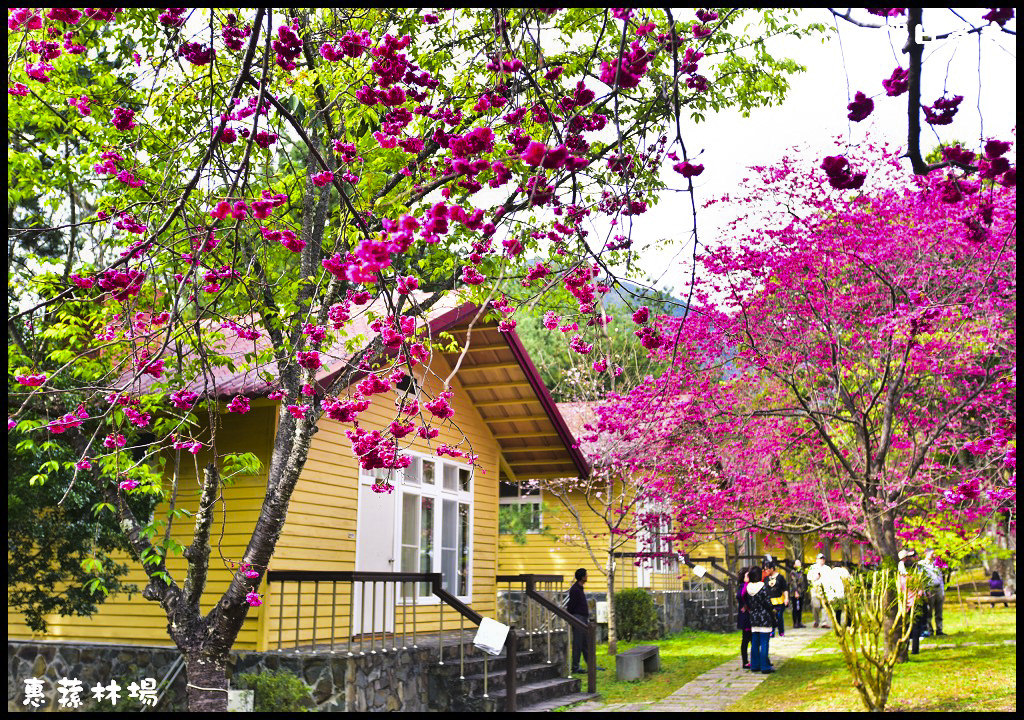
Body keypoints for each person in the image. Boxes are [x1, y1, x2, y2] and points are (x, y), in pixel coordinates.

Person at [568, 567, 599, 673]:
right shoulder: (575, 589)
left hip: (583, 618)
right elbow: (571, 605)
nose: (587, 576)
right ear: (582, 577)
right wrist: (572, 617)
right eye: (586, 574)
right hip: (578, 618)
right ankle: (575, 667)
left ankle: (591, 665)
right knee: (578, 643)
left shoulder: (580, 588)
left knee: (586, 643)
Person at [745, 567, 775, 674]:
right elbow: (768, 602)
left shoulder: (748, 588)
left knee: (755, 642)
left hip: (753, 617)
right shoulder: (763, 587)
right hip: (764, 617)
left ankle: (755, 665)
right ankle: (765, 666)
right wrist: (772, 610)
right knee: (764, 642)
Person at [919, 549, 945, 636]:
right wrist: (925, 592)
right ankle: (929, 629)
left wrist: (942, 590)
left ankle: (939, 629)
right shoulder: (922, 564)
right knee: (929, 610)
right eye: (931, 553)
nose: (933, 555)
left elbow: (940, 577)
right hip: (929, 589)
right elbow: (921, 579)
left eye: (934, 553)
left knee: (939, 610)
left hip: (938, 588)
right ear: (926, 553)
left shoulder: (937, 563)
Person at [806, 553, 831, 629]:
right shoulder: (812, 568)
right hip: (815, 589)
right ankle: (816, 621)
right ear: (817, 559)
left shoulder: (827, 568)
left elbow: (831, 578)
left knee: (825, 606)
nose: (822, 560)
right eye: (820, 558)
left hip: (825, 589)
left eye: (823, 559)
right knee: (816, 606)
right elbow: (809, 578)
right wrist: (815, 577)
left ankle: (824, 622)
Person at [765, 561, 789, 637]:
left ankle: (781, 631)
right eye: (765, 569)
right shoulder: (766, 579)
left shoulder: (780, 577)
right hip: (770, 601)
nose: (766, 571)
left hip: (779, 600)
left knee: (779, 616)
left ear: (772, 569)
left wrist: (786, 598)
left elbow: (785, 589)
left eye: (767, 569)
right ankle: (772, 631)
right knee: (770, 616)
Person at [737, 566, 752, 669]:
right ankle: (745, 661)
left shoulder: (748, 586)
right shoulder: (744, 586)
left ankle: (752, 660)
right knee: (746, 639)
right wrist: (746, 606)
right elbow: (740, 596)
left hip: (748, 615)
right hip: (745, 617)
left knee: (750, 639)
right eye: (747, 575)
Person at [790, 559, 808, 628]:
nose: (799, 564)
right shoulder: (793, 572)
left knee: (800, 608)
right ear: (794, 565)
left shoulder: (802, 572)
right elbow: (793, 583)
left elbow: (803, 582)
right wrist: (796, 592)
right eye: (797, 563)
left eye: (799, 562)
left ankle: (799, 622)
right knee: (795, 608)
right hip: (795, 592)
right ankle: (795, 623)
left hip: (801, 592)